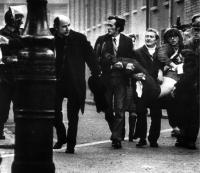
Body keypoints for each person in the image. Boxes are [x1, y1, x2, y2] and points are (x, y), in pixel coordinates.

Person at [52, 15, 100, 154]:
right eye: (64, 26)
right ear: (56, 28)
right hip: (57, 82)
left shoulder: (79, 38)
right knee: (53, 112)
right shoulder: (51, 38)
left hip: (74, 82)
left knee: (73, 116)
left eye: (69, 25)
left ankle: (70, 144)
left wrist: (97, 73)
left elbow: (90, 56)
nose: (67, 29)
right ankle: (61, 137)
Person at [94, 16, 134, 149]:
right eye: (108, 25)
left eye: (111, 26)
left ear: (118, 27)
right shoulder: (102, 40)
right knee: (107, 110)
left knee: (120, 109)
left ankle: (116, 138)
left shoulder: (127, 41)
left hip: (121, 80)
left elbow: (131, 59)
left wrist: (125, 66)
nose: (108, 28)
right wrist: (109, 67)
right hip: (106, 80)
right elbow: (96, 59)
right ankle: (117, 130)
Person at [174, 13, 200, 149]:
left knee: (195, 111)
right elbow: (184, 55)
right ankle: (182, 136)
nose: (197, 30)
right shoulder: (188, 40)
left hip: (198, 81)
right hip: (188, 78)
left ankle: (191, 139)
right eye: (195, 27)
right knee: (182, 108)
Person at [133, 28, 163, 147]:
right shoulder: (137, 52)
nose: (148, 38)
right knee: (141, 113)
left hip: (156, 87)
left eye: (151, 37)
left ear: (156, 39)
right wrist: (135, 75)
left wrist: (161, 70)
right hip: (142, 87)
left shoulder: (161, 53)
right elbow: (133, 68)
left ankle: (153, 139)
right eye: (147, 36)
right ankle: (142, 138)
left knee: (156, 113)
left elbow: (164, 65)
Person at [0, 8, 24, 139]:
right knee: (2, 107)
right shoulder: (0, 34)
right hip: (4, 76)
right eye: (18, 19)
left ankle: (19, 132)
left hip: (19, 76)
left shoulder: (21, 34)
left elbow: (25, 45)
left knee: (19, 107)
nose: (20, 21)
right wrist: (4, 59)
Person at [157, 28, 184, 137]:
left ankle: (182, 127)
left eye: (175, 36)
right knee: (170, 101)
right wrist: (173, 65)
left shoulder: (184, 47)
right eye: (170, 37)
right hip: (170, 75)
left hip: (184, 77)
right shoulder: (166, 47)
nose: (173, 39)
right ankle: (175, 126)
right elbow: (162, 56)